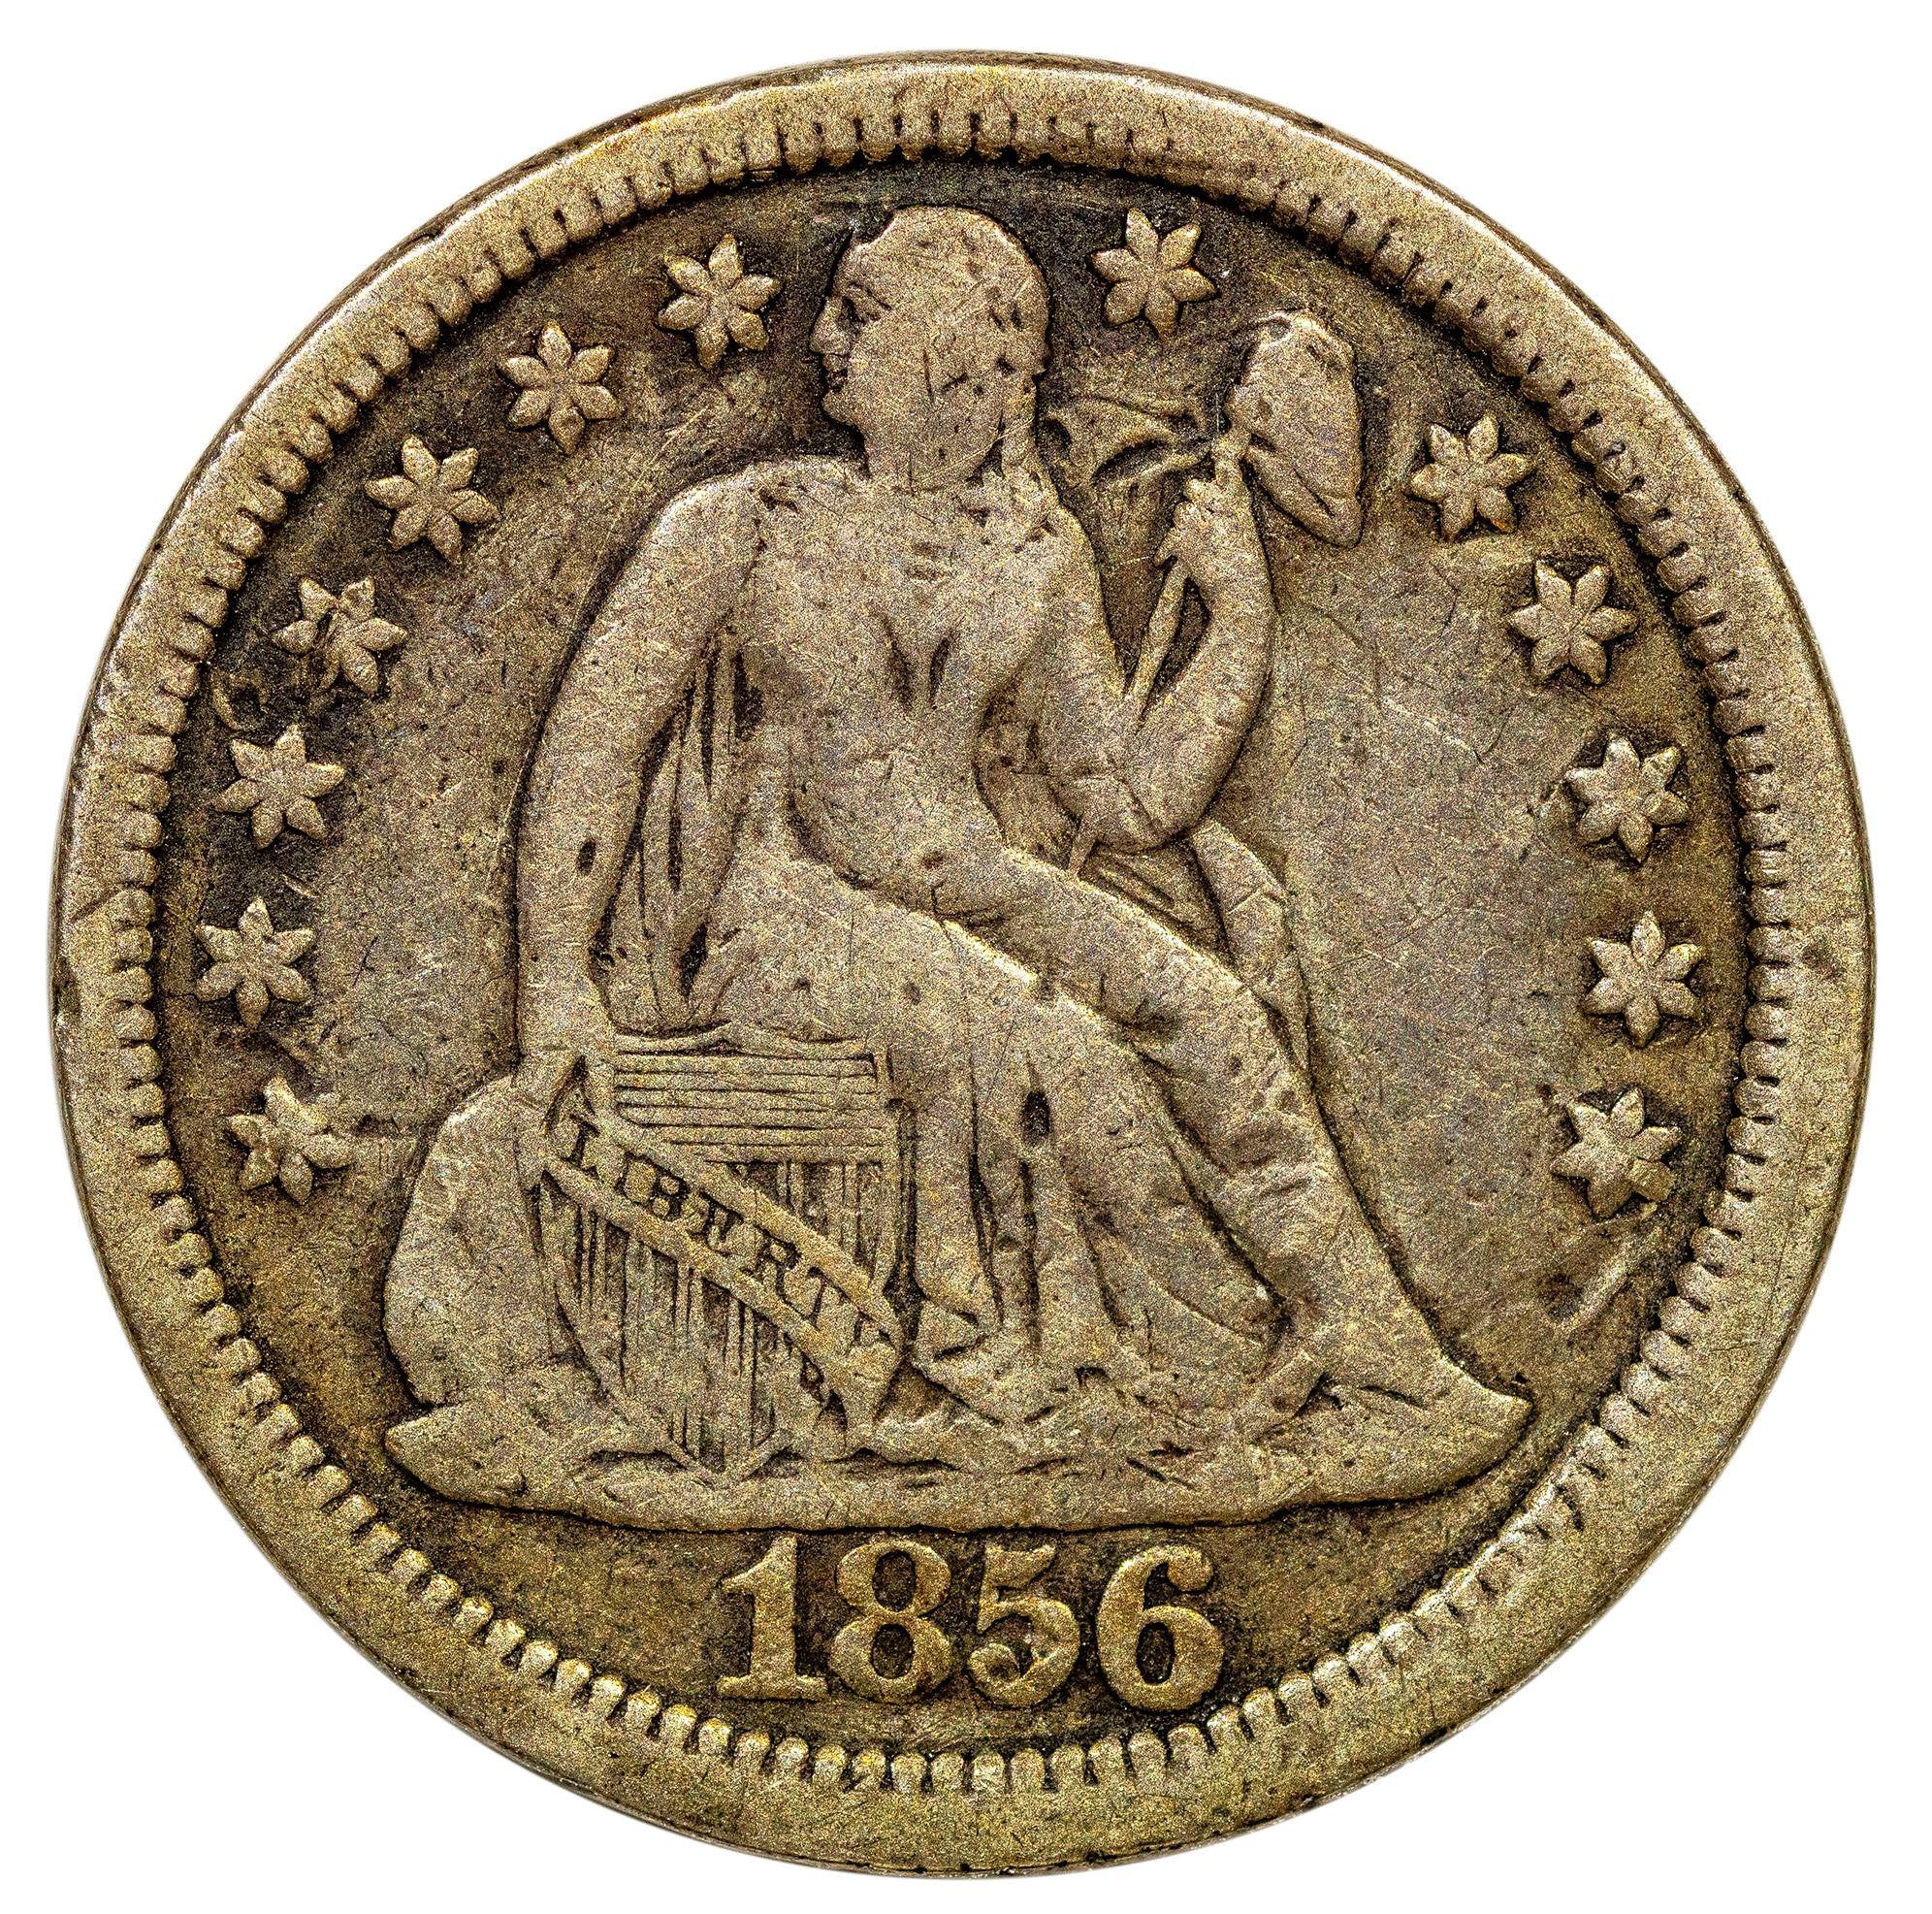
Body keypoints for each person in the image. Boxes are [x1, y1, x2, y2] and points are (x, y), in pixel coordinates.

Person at [384, 207, 1527, 1518]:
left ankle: (1376, 1359)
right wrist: (554, 985)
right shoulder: (742, 525)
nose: (825, 338)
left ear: (964, 358)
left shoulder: (1038, 551)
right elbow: (595, 749)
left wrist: (1238, 615)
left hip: (979, 884)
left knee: (1213, 1014)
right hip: (783, 915)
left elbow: (1127, 797)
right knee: (1052, 1045)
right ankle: (1159, 1380)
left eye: (862, 312)